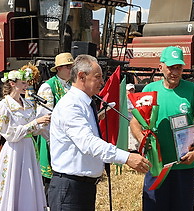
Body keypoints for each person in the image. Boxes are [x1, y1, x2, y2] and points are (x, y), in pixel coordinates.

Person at [48, 54, 151, 210]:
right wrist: (126, 157)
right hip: (71, 188)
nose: (102, 82)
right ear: (82, 76)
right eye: (98, 77)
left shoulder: (84, 104)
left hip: (81, 188)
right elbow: (88, 143)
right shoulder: (71, 106)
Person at [130, 46, 194, 210]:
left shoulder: (192, 90)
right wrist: (143, 140)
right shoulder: (149, 90)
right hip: (156, 167)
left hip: (184, 166)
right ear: (161, 67)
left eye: (178, 68)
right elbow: (135, 122)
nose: (174, 72)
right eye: (170, 67)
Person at [0, 68, 51, 211]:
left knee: (29, 181)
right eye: (23, 83)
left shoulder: (27, 104)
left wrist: (43, 124)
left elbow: (34, 129)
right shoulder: (2, 107)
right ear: (12, 83)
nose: (26, 86)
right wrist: (35, 123)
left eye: (26, 83)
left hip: (28, 147)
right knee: (12, 181)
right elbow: (9, 134)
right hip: (14, 150)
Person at [36, 52, 74, 200]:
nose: (72, 70)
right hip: (53, 138)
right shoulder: (48, 87)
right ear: (59, 68)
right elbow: (44, 117)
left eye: (73, 67)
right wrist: (52, 140)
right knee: (51, 181)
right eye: (69, 67)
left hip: (69, 139)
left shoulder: (71, 85)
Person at [126, 83, 139, 151]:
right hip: (126, 124)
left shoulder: (137, 100)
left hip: (135, 124)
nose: (131, 92)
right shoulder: (123, 101)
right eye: (129, 90)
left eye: (132, 90)